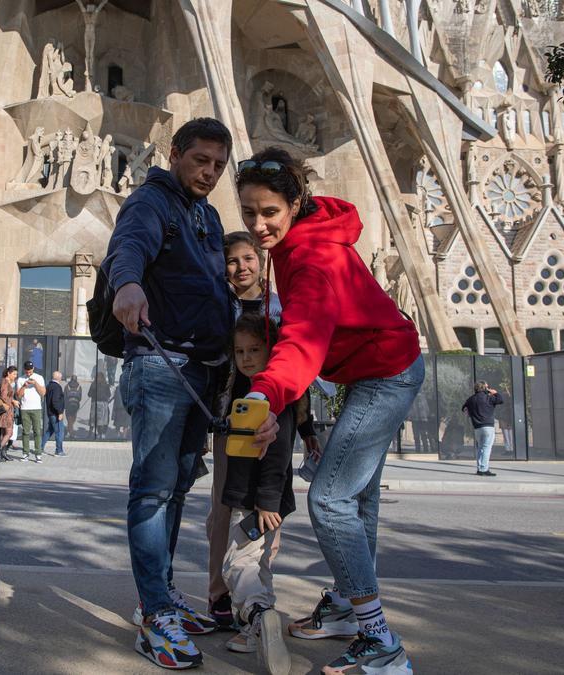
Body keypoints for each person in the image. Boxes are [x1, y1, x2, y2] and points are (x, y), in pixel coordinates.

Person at [239, 147, 423, 675]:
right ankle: (346, 606)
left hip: (385, 374)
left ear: (294, 204)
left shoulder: (312, 260)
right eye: (249, 212)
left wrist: (264, 394)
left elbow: (302, 342)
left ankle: (380, 642)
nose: (258, 225)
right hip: (376, 370)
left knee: (330, 499)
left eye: (269, 212)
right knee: (356, 499)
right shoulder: (300, 242)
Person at [102, 117, 234, 670]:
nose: (209, 172)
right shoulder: (151, 202)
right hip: (161, 365)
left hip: (201, 370)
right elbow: (127, 248)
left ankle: (164, 596)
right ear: (176, 153)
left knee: (177, 488)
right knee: (153, 491)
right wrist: (127, 284)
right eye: (200, 160)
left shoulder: (206, 214)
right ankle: (155, 614)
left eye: (218, 166)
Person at [205, 231, 301, 632]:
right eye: (232, 260)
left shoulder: (279, 308)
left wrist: (306, 424)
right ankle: (220, 594)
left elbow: (298, 363)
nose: (240, 267)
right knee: (224, 509)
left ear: (260, 262)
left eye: (247, 259)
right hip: (232, 418)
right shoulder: (219, 305)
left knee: (267, 506)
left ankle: (257, 589)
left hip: (276, 413)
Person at [220, 314, 304, 675]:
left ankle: (257, 615)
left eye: (255, 349)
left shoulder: (268, 398)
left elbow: (280, 451)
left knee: (236, 564)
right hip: (264, 501)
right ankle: (257, 629)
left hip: (256, 501)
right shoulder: (248, 392)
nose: (247, 357)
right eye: (240, 351)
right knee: (261, 565)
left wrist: (267, 499)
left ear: (272, 351)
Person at [462, 381, 503, 476]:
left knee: (480, 448)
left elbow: (463, 408)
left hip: (477, 427)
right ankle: (484, 469)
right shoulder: (489, 398)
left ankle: (480, 468)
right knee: (486, 448)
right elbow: (500, 400)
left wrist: (470, 412)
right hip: (488, 426)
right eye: (487, 386)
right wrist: (495, 392)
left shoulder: (471, 399)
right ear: (485, 387)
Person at [15, 361, 47, 463]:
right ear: (24, 369)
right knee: (25, 432)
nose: (29, 373)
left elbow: (43, 393)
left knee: (37, 431)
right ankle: (25, 454)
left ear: (33, 369)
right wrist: (24, 386)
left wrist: (35, 384)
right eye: (27, 371)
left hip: (37, 408)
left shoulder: (39, 377)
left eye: (30, 370)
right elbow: (18, 396)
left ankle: (38, 454)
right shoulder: (20, 379)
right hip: (25, 408)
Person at [0, 366, 19, 461]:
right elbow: (3, 397)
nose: (15, 376)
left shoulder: (7, 382)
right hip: (5, 411)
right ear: (8, 373)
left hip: (7, 410)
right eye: (14, 374)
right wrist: (13, 401)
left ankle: (3, 453)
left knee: (3, 433)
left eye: (16, 374)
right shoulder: (5, 382)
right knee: (9, 432)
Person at [43, 371, 67, 456]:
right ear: (59, 378)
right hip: (55, 414)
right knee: (59, 432)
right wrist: (60, 412)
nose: (61, 378)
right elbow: (55, 401)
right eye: (61, 377)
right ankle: (59, 451)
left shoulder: (49, 385)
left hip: (50, 413)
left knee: (49, 431)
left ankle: (40, 448)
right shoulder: (57, 387)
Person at [65, 375, 83, 439]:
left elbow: (65, 396)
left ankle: (70, 433)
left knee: (69, 419)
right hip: (76, 405)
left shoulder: (67, 386)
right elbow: (80, 397)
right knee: (73, 418)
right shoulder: (79, 386)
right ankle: (69, 431)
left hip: (68, 404)